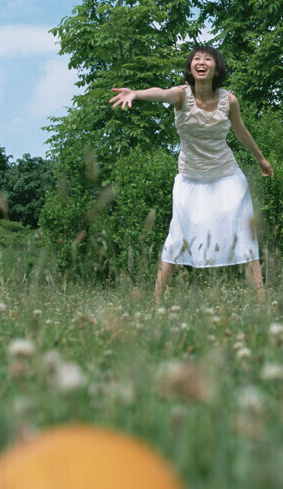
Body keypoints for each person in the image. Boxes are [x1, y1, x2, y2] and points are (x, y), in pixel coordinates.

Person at [109, 45, 273, 300]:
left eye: (208, 59)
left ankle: (262, 302)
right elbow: (161, 93)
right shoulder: (181, 95)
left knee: (244, 234)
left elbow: (240, 131)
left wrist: (260, 158)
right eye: (196, 59)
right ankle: (155, 303)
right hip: (190, 178)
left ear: (216, 69)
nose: (201, 62)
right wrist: (136, 94)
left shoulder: (229, 100)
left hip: (226, 176)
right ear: (190, 68)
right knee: (177, 237)